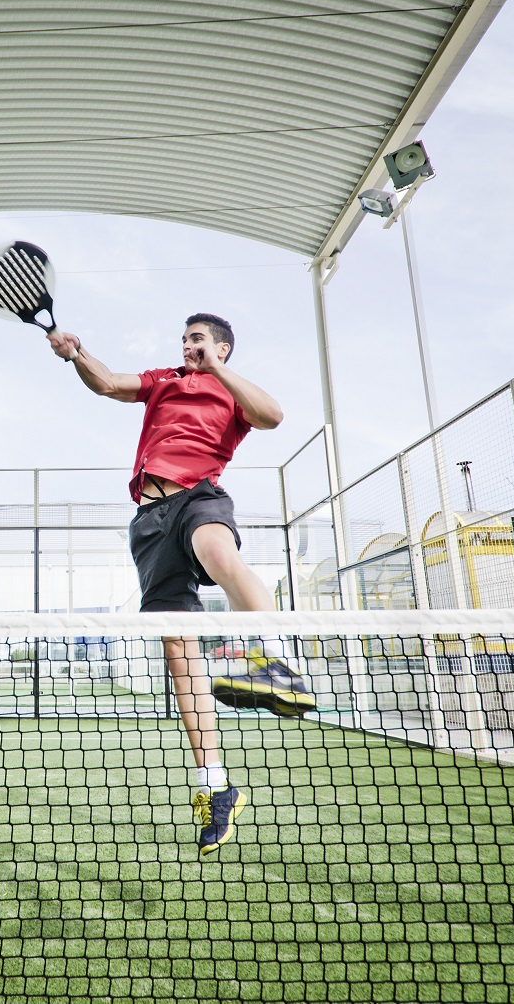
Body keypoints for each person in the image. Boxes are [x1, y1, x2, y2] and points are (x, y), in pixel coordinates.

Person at [48, 314, 317, 855]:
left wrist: (218, 369)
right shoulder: (164, 380)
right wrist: (76, 352)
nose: (188, 346)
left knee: (217, 551)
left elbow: (274, 416)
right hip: (149, 521)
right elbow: (106, 383)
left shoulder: (231, 392)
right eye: (186, 339)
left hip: (199, 498)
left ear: (221, 348)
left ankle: (278, 658)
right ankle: (215, 786)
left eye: (198, 339)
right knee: (178, 645)